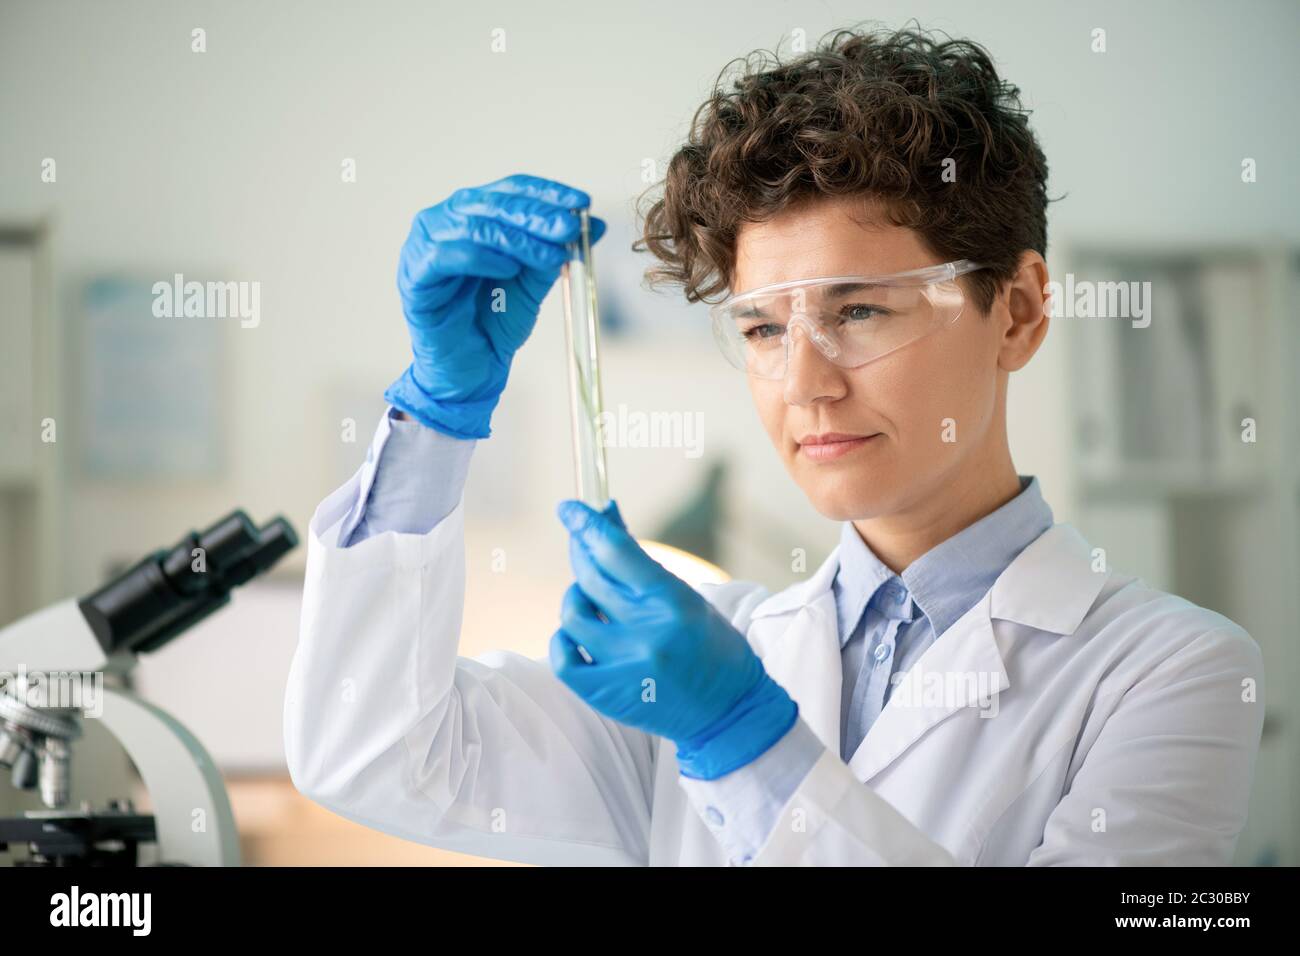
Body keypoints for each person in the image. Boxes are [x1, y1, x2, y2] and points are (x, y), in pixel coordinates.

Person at [284, 26, 1263, 866]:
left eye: (863, 310)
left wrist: (744, 740)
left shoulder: (1167, 671)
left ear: (1016, 310)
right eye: (761, 329)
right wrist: (439, 411)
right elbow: (371, 750)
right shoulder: (700, 656)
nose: (804, 384)